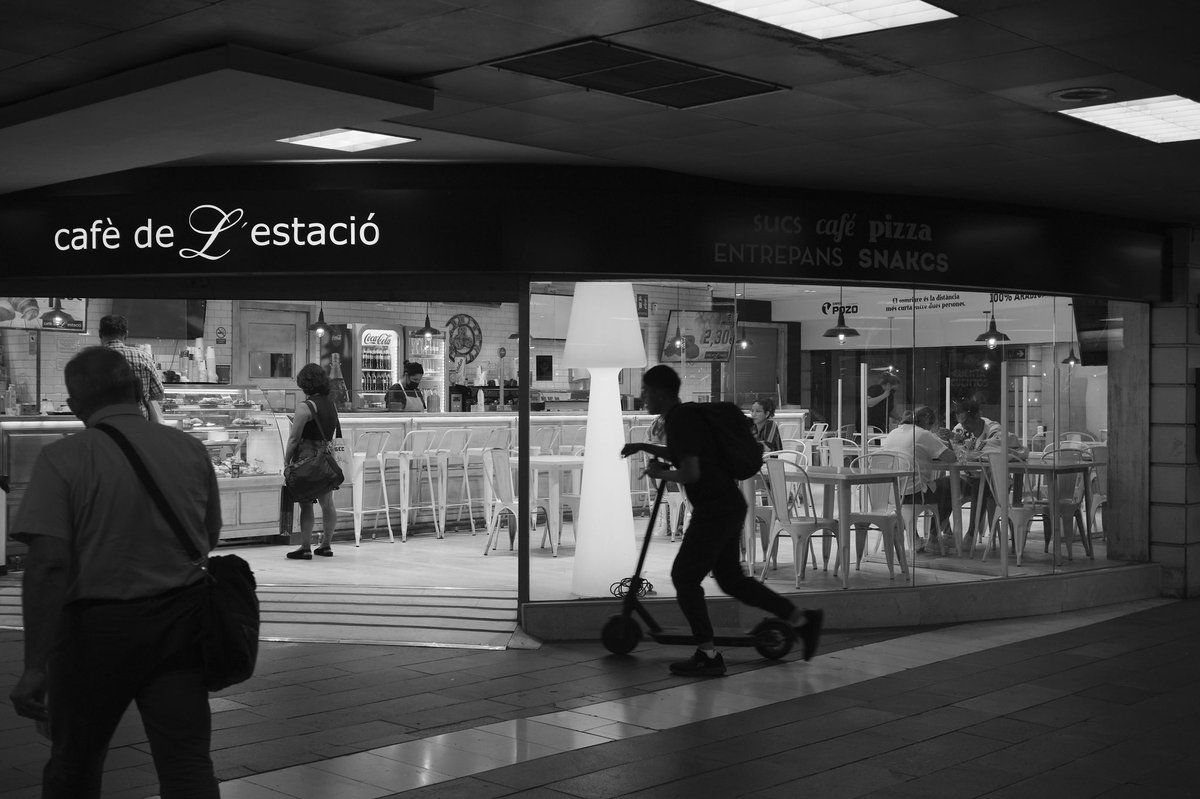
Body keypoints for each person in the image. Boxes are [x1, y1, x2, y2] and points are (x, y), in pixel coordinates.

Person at [8, 346, 221, 798]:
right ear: (136, 390)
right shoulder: (189, 450)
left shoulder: (63, 459)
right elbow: (210, 536)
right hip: (180, 625)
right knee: (186, 763)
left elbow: (47, 564)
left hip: (93, 633)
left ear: (76, 404)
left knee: (75, 766)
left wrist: (35, 666)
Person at [621, 365, 823, 676]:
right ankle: (801, 620)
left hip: (715, 509)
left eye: (646, 391)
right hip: (728, 504)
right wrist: (644, 446)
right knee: (731, 580)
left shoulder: (679, 421)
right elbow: (689, 454)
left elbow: (691, 472)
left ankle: (708, 654)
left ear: (660, 393)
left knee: (685, 578)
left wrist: (660, 472)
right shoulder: (684, 416)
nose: (642, 396)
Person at [877, 405, 957, 553]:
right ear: (928, 422)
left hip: (890, 494)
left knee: (930, 486)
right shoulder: (923, 434)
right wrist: (946, 440)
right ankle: (934, 537)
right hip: (913, 495)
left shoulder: (893, 433)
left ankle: (917, 537)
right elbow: (951, 458)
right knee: (951, 486)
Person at [951, 396, 1029, 542]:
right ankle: (944, 534)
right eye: (961, 422)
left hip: (995, 482)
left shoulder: (994, 429)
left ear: (977, 416)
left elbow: (993, 447)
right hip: (970, 477)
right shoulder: (959, 429)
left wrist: (970, 450)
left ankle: (971, 533)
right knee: (945, 485)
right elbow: (958, 452)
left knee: (980, 484)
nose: (964, 426)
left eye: (966, 421)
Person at [284, 363, 341, 559]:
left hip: (306, 460)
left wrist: (286, 462)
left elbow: (294, 439)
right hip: (325, 459)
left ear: (305, 384)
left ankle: (305, 547)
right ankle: (326, 545)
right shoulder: (331, 404)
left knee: (306, 503)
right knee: (327, 504)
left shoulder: (305, 407)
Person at [99, 313, 165, 423]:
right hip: (139, 424)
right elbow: (159, 393)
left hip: (105, 425)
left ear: (100, 334)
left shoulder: (91, 359)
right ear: (126, 334)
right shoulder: (143, 357)